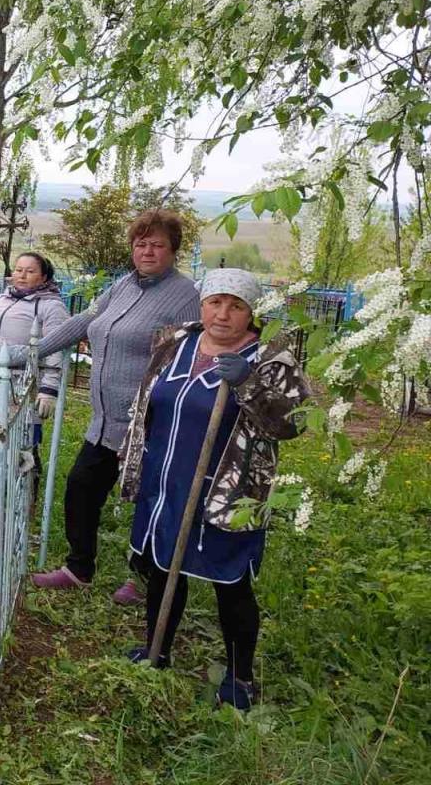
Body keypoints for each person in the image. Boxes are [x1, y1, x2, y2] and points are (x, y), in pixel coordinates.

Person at [118, 269, 306, 709]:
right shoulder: (175, 343)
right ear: (201, 304)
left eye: (235, 306)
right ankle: (156, 649)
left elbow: (289, 424)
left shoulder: (270, 359)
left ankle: (239, 679)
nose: (222, 314)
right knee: (164, 570)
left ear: (250, 312)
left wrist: (249, 383)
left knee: (231, 583)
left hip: (227, 491)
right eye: (215, 302)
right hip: (165, 480)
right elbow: (148, 402)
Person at [18, 210, 200, 602]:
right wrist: (29, 353)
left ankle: (144, 578)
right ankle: (79, 568)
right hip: (105, 420)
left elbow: (192, 355)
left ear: (173, 250)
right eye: (141, 243)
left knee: (151, 501)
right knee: (81, 487)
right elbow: (84, 321)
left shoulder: (187, 295)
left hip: (150, 422)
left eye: (157, 245)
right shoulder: (123, 286)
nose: (148, 251)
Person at [0, 251, 70, 456]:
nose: (22, 275)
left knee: (24, 445)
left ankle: (28, 483)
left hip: (26, 384)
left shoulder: (51, 306)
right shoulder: (0, 300)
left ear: (44, 277)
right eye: (19, 270)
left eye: (30, 271)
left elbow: (56, 348)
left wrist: (49, 389)